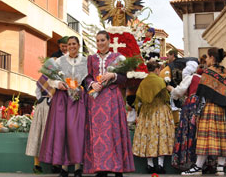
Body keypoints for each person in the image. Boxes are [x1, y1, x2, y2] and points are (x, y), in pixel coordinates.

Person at [181, 47, 226, 176]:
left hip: (210, 109)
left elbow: (202, 96)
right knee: (222, 137)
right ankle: (220, 167)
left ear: (212, 58)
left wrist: (197, 113)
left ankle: (198, 167)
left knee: (205, 137)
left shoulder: (208, 73)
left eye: (208, 57)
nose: (207, 60)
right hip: (224, 111)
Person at [83, 30, 135, 177]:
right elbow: (86, 78)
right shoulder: (91, 58)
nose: (100, 43)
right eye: (98, 40)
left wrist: (113, 75)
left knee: (114, 132)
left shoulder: (117, 57)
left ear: (109, 41)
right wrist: (92, 84)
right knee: (98, 134)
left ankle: (117, 167)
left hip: (112, 97)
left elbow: (124, 79)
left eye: (102, 40)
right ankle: (101, 168)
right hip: (96, 100)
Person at [39, 36, 88, 177]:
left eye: (74, 44)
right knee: (62, 131)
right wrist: (57, 84)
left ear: (79, 45)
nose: (71, 46)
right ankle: (64, 168)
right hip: (62, 99)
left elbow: (88, 78)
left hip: (78, 98)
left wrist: (82, 88)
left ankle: (78, 166)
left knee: (76, 132)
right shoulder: (60, 60)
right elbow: (48, 78)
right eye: (69, 44)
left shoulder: (85, 61)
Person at [133, 61, 175, 174]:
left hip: (147, 113)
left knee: (148, 136)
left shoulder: (143, 82)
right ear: (157, 69)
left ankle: (149, 164)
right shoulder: (160, 81)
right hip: (160, 111)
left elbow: (139, 99)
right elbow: (166, 97)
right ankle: (160, 165)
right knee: (161, 136)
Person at [167, 61, 200, 171]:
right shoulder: (205, 78)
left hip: (191, 107)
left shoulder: (191, 78)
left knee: (187, 131)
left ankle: (186, 161)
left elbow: (178, 92)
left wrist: (171, 89)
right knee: (199, 133)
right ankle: (201, 162)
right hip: (202, 107)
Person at [25, 75, 56, 174]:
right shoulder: (52, 78)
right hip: (47, 106)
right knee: (40, 134)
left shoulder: (46, 78)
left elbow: (37, 92)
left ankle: (49, 164)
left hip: (47, 105)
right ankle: (40, 165)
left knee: (41, 133)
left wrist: (42, 99)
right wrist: (45, 99)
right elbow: (37, 91)